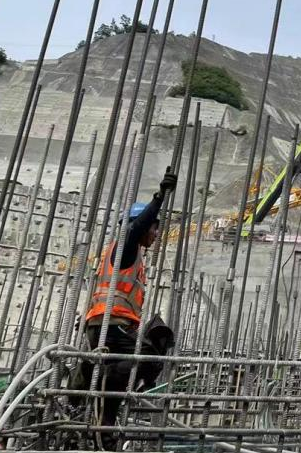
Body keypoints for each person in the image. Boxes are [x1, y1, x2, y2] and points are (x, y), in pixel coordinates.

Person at [75, 168, 177, 449]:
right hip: (110, 324)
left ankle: (98, 407)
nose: (156, 234)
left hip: (109, 324)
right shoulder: (125, 247)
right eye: (154, 228)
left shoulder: (130, 254)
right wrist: (159, 198)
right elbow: (134, 229)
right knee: (148, 357)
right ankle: (103, 409)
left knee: (131, 363)